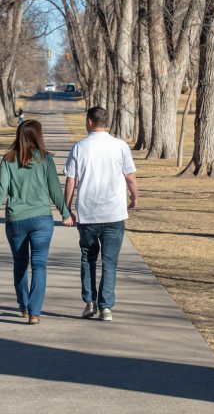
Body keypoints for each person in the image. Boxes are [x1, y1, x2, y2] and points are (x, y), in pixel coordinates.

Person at [0, 120, 73, 325]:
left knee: (20, 264)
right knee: (39, 265)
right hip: (42, 219)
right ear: (37, 136)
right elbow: (55, 189)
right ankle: (35, 312)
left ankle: (24, 304)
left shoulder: (8, 159)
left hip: (16, 220)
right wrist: (65, 213)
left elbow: (1, 189)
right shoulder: (45, 159)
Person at [64, 106, 138, 321]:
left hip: (88, 213)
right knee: (110, 261)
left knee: (88, 257)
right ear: (107, 122)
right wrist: (134, 197)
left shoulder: (79, 147)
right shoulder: (120, 146)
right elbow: (130, 176)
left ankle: (89, 302)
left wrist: (67, 208)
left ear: (89, 122)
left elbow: (71, 180)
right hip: (114, 213)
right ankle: (106, 307)